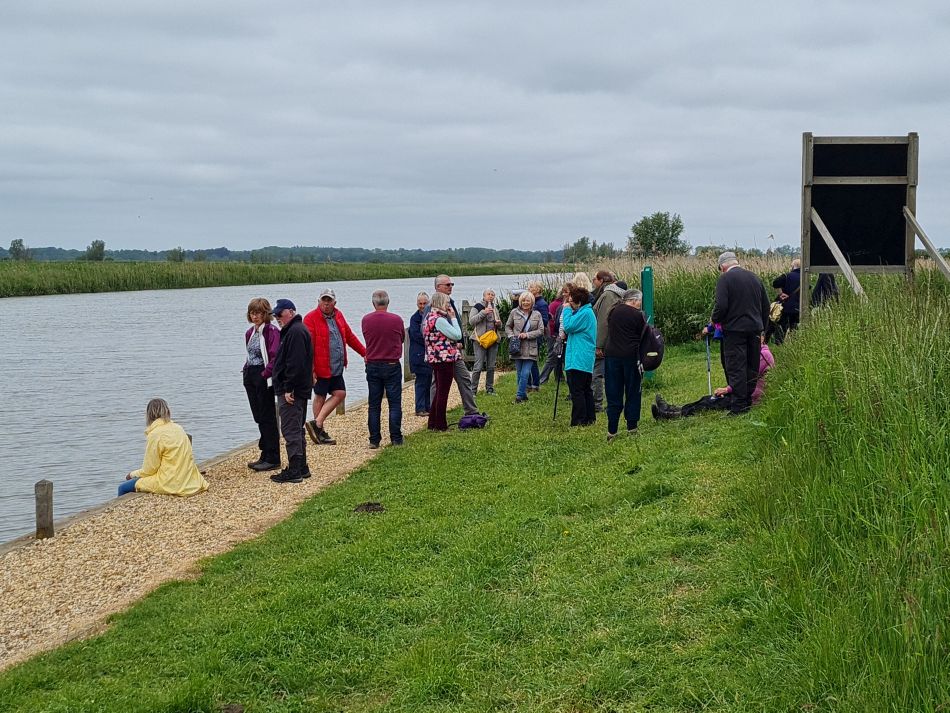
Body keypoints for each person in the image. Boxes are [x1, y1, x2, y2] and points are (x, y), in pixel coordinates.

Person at [303, 288, 366, 446]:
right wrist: (311, 370)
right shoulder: (310, 318)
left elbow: (349, 336)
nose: (326, 303)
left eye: (329, 300)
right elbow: (307, 346)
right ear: (318, 301)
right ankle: (319, 430)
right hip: (320, 367)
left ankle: (316, 424)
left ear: (334, 302)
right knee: (320, 396)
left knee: (340, 393)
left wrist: (364, 353)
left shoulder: (338, 315)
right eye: (323, 300)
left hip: (336, 366)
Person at [710, 251, 770, 415]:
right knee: (751, 366)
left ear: (722, 267)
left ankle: (738, 406)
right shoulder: (755, 278)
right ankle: (748, 401)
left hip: (735, 330)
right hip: (755, 329)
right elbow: (766, 306)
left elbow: (721, 305)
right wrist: (762, 328)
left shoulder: (725, 279)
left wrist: (714, 320)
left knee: (736, 366)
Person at [652, 342, 774, 420]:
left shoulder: (763, 355)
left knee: (710, 403)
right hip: (744, 392)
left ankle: (670, 415)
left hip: (751, 397)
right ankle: (672, 408)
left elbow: (747, 378)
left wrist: (727, 389)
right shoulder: (756, 353)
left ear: (762, 338)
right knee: (707, 399)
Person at [118, 398, 208, 497]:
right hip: (189, 479)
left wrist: (131, 474)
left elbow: (149, 470)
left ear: (149, 415)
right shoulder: (178, 428)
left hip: (170, 482)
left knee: (122, 488)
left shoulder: (155, 434)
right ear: (167, 411)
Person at [270, 298, 314, 483]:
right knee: (297, 428)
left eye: (280, 314)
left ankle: (295, 470)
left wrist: (288, 388)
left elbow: (294, 364)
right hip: (299, 388)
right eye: (276, 315)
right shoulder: (294, 330)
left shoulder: (295, 332)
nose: (277, 318)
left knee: (290, 430)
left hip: (293, 391)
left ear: (291, 312)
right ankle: (302, 467)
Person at [427, 274, 479, 416]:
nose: (451, 287)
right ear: (438, 287)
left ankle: (471, 411)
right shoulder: (432, 308)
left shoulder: (450, 302)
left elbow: (456, 327)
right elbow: (427, 331)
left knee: (463, 378)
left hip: (453, 351)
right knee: (438, 384)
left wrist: (459, 342)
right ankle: (436, 415)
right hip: (443, 354)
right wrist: (453, 340)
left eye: (452, 284)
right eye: (447, 285)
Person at [361, 290, 405, 449]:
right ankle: (396, 437)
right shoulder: (396, 320)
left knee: (374, 404)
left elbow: (367, 338)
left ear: (373, 303)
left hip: (372, 364)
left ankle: (374, 439)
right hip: (392, 364)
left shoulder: (366, 320)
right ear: (388, 302)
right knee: (394, 403)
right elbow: (401, 338)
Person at [243, 298, 281, 472]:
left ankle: (273, 456)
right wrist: (246, 370)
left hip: (263, 376)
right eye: (252, 313)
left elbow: (274, 356)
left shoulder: (271, 332)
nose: (255, 316)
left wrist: (265, 374)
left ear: (266, 314)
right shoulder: (250, 333)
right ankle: (265, 452)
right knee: (258, 415)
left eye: (258, 313)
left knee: (267, 416)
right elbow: (250, 355)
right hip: (251, 374)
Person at [604, 289, 646, 441]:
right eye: (639, 301)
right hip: (631, 356)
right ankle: (632, 427)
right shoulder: (637, 315)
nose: (640, 304)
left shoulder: (613, 311)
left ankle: (612, 430)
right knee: (633, 390)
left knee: (613, 391)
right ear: (634, 300)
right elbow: (643, 335)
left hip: (611, 355)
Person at [424, 291, 462, 431]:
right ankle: (440, 424)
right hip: (444, 357)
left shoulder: (429, 316)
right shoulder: (439, 320)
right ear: (440, 303)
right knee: (443, 392)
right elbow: (457, 335)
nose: (449, 305)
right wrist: (453, 318)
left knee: (439, 389)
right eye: (447, 303)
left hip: (434, 357)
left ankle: (432, 422)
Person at [560, 284, 597, 426]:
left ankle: (578, 420)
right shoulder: (586, 312)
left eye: (571, 301)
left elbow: (568, 326)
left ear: (579, 302)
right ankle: (589, 418)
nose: (569, 303)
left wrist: (567, 311)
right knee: (585, 389)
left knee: (577, 390)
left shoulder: (584, 313)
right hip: (582, 357)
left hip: (579, 358)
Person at [591, 270, 625, 412]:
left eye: (595, 279)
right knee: (609, 373)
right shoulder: (613, 293)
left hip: (606, 342)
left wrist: (599, 345)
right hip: (613, 341)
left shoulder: (608, 295)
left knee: (597, 374)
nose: (593, 282)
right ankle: (611, 402)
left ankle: (597, 404)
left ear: (601, 280)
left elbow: (603, 321)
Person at [505, 290, 545, 404]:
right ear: (520, 301)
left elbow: (541, 330)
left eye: (527, 300)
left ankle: (519, 396)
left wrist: (527, 335)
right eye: (523, 300)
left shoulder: (537, 314)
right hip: (517, 348)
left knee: (526, 372)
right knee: (519, 373)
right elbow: (508, 326)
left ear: (532, 301)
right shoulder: (514, 313)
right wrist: (512, 336)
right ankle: (523, 395)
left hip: (531, 348)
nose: (525, 303)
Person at [469, 288, 502, 395]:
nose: (491, 296)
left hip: (493, 339)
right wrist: (483, 313)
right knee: (478, 366)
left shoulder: (495, 308)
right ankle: (473, 391)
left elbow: (500, 325)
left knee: (491, 366)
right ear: (484, 296)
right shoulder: (478, 306)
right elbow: (471, 321)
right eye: (488, 294)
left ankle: (490, 389)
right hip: (480, 340)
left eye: (493, 294)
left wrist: (498, 323)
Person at [538, 283, 568, 386]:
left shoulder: (557, 304)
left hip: (554, 333)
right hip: (553, 334)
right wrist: (554, 334)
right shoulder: (557, 305)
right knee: (553, 355)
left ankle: (559, 377)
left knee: (558, 356)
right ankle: (542, 378)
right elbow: (551, 321)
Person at [408, 291, 432, 416]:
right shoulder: (415, 318)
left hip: (429, 355)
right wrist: (431, 339)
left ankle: (428, 406)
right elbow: (417, 335)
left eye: (424, 303)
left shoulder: (431, 316)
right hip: (418, 355)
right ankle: (420, 408)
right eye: (420, 303)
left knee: (429, 381)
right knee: (421, 381)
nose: (422, 306)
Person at [525, 281, 549, 391]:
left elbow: (544, 320)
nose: (528, 289)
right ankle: (529, 383)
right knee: (528, 359)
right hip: (529, 335)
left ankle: (535, 384)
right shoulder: (533, 303)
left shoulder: (541, 304)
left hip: (536, 335)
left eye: (531, 287)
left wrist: (532, 321)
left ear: (537, 289)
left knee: (532, 360)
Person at [772, 258, 802, 333]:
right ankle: (794, 342)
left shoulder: (787, 276)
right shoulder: (804, 277)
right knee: (795, 329)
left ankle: (779, 343)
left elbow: (775, 283)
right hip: (799, 307)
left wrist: (781, 293)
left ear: (793, 266)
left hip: (786, 306)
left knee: (782, 328)